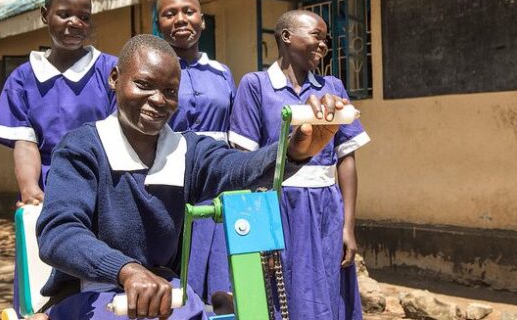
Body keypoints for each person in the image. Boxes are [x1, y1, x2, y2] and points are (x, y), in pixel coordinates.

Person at [36, 34, 348, 319]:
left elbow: (241, 169)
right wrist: (127, 271)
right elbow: (59, 233)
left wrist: (293, 150)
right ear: (115, 79)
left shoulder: (187, 150)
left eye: (170, 91)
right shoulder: (84, 147)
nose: (159, 100)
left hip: (163, 293)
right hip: (87, 294)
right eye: (144, 84)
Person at [0, 0, 117, 312]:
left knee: (99, 275)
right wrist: (30, 189)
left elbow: (123, 134)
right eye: (64, 14)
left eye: (83, 17)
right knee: (45, 273)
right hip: (50, 187)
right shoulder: (24, 78)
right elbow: (25, 141)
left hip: (105, 184)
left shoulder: (110, 70)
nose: (74, 23)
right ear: (45, 15)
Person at [229, 10, 371, 319]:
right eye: (316, 36)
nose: (323, 45)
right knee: (283, 290)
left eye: (326, 39)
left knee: (327, 287)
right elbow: (245, 163)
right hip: (277, 206)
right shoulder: (256, 86)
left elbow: (347, 157)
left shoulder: (331, 88)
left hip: (326, 207)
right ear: (286, 37)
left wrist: (348, 225)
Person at [156, 0, 236, 307]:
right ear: (158, 23)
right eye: (170, 13)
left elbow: (236, 130)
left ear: (202, 19)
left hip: (217, 179)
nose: (181, 19)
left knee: (221, 278)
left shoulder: (222, 73)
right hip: (167, 175)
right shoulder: (152, 71)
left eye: (189, 11)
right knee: (174, 267)